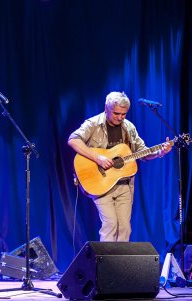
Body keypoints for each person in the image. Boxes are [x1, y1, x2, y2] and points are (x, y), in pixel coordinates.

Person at [67, 91, 172, 242]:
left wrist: (159, 152)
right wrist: (98, 158)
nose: (120, 117)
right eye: (116, 113)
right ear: (106, 108)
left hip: (124, 185)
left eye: (124, 114)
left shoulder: (128, 127)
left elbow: (142, 153)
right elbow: (73, 140)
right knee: (110, 224)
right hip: (101, 183)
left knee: (124, 227)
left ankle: (121, 265)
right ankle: (106, 265)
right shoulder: (93, 124)